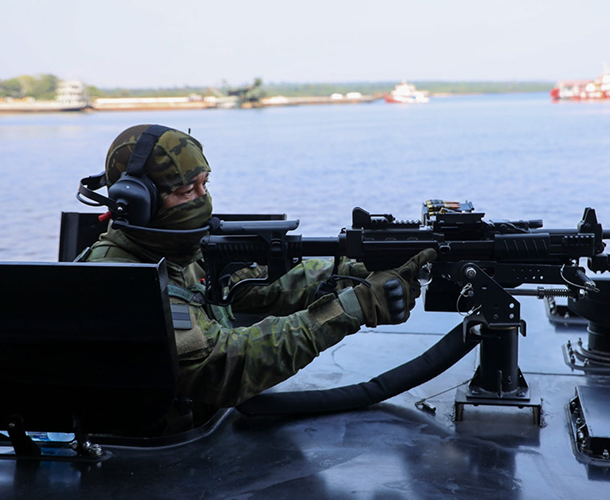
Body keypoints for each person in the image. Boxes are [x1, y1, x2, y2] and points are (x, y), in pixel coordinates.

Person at [82, 124, 435, 434]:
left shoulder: (175, 250)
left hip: (200, 435)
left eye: (205, 185)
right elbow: (222, 367)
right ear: (137, 203)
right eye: (187, 192)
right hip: (151, 460)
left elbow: (266, 284)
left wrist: (355, 273)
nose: (203, 201)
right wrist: (352, 307)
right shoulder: (124, 279)